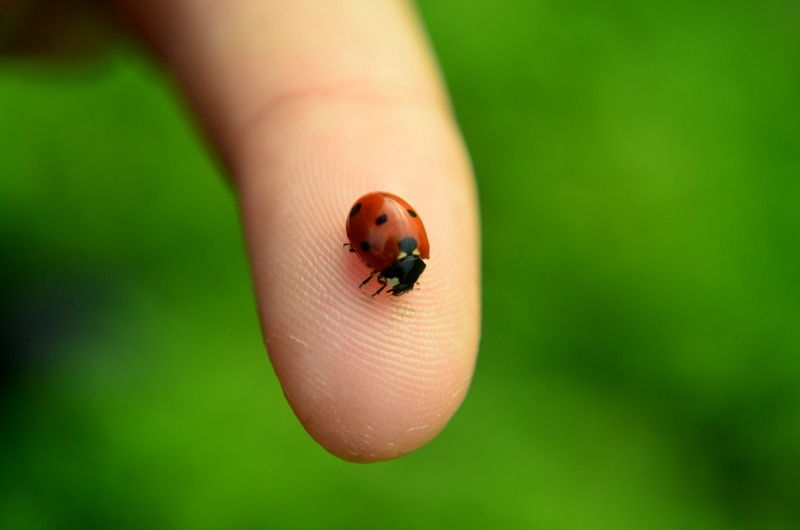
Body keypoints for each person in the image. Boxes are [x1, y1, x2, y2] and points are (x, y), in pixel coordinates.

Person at [10, 0, 481, 462]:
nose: (393, 284)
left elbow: (369, 242)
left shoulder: (400, 252)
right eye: (396, 280)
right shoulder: (394, 252)